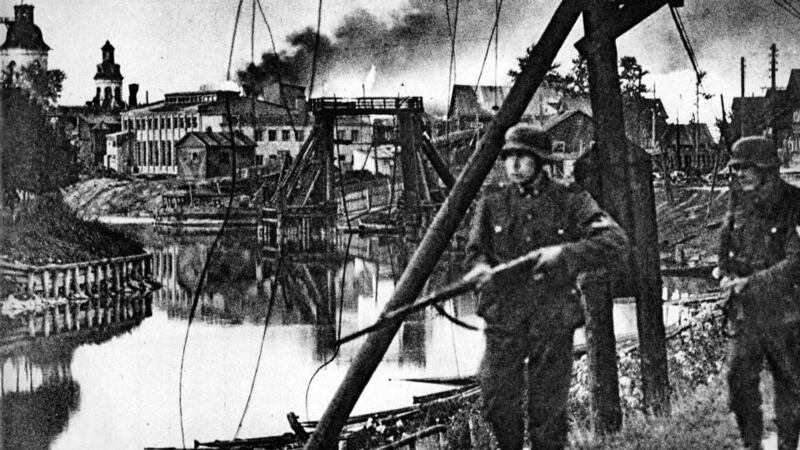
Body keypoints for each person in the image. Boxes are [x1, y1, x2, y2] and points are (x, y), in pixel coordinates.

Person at [463, 124, 629, 450]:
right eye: (508, 157)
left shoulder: (570, 200)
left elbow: (615, 241)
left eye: (522, 157)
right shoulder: (492, 202)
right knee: (496, 400)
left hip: (551, 317)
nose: (513, 165)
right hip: (504, 319)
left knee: (547, 414)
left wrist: (565, 254)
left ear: (540, 161)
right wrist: (479, 268)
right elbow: (475, 252)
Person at [717, 136, 800, 450]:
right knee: (738, 381)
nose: (738, 175)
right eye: (735, 169)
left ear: (766, 169)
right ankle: (752, 444)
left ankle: (788, 446)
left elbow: (797, 260)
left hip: (787, 312)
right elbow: (726, 243)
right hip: (747, 312)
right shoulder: (739, 202)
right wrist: (723, 271)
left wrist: (751, 282)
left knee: (790, 387)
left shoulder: (793, 203)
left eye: (745, 169)